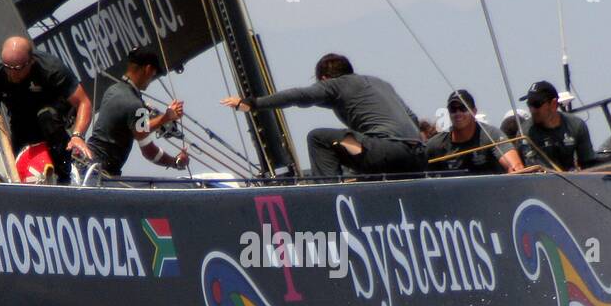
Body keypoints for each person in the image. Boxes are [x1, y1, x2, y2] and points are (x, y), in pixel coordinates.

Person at [222, 53, 424, 178]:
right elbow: (413, 118)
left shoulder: (337, 84)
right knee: (355, 144)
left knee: (319, 138)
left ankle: (328, 194)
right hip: (417, 155)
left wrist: (252, 103)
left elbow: (299, 96)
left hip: (385, 150)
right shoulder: (379, 83)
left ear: (325, 80)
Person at [0, 36, 93, 182]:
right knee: (19, 160)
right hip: (21, 121)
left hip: (54, 112)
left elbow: (83, 102)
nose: (12, 73)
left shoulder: (50, 68)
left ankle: (65, 174)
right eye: (8, 67)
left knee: (45, 117)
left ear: (31, 61)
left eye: (18, 69)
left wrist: (78, 135)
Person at [76, 47, 189, 177]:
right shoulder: (135, 104)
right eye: (153, 75)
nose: (151, 80)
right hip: (100, 172)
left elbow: (140, 130)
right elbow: (148, 150)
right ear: (148, 70)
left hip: (85, 162)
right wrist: (176, 162)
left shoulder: (112, 90)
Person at [425, 90, 526, 175]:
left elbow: (515, 167)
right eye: (453, 109)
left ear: (474, 111)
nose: (458, 113)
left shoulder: (491, 135)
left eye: (463, 108)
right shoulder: (435, 146)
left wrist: (516, 168)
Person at [511, 80, 596, 171]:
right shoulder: (525, 133)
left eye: (536, 104)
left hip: (570, 181)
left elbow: (589, 165)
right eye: (529, 104)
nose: (532, 110)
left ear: (553, 104)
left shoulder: (576, 126)